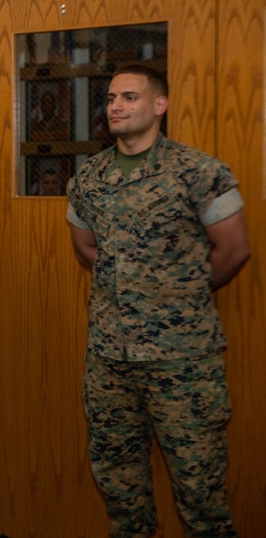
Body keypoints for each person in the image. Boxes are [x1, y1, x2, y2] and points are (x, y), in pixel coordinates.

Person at [66, 65, 250, 536]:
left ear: (159, 105)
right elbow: (86, 247)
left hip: (183, 361)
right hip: (110, 361)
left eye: (129, 97)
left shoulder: (199, 172)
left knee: (200, 489)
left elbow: (233, 250)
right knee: (120, 487)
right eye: (110, 99)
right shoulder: (90, 177)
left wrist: (177, 294)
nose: (116, 107)